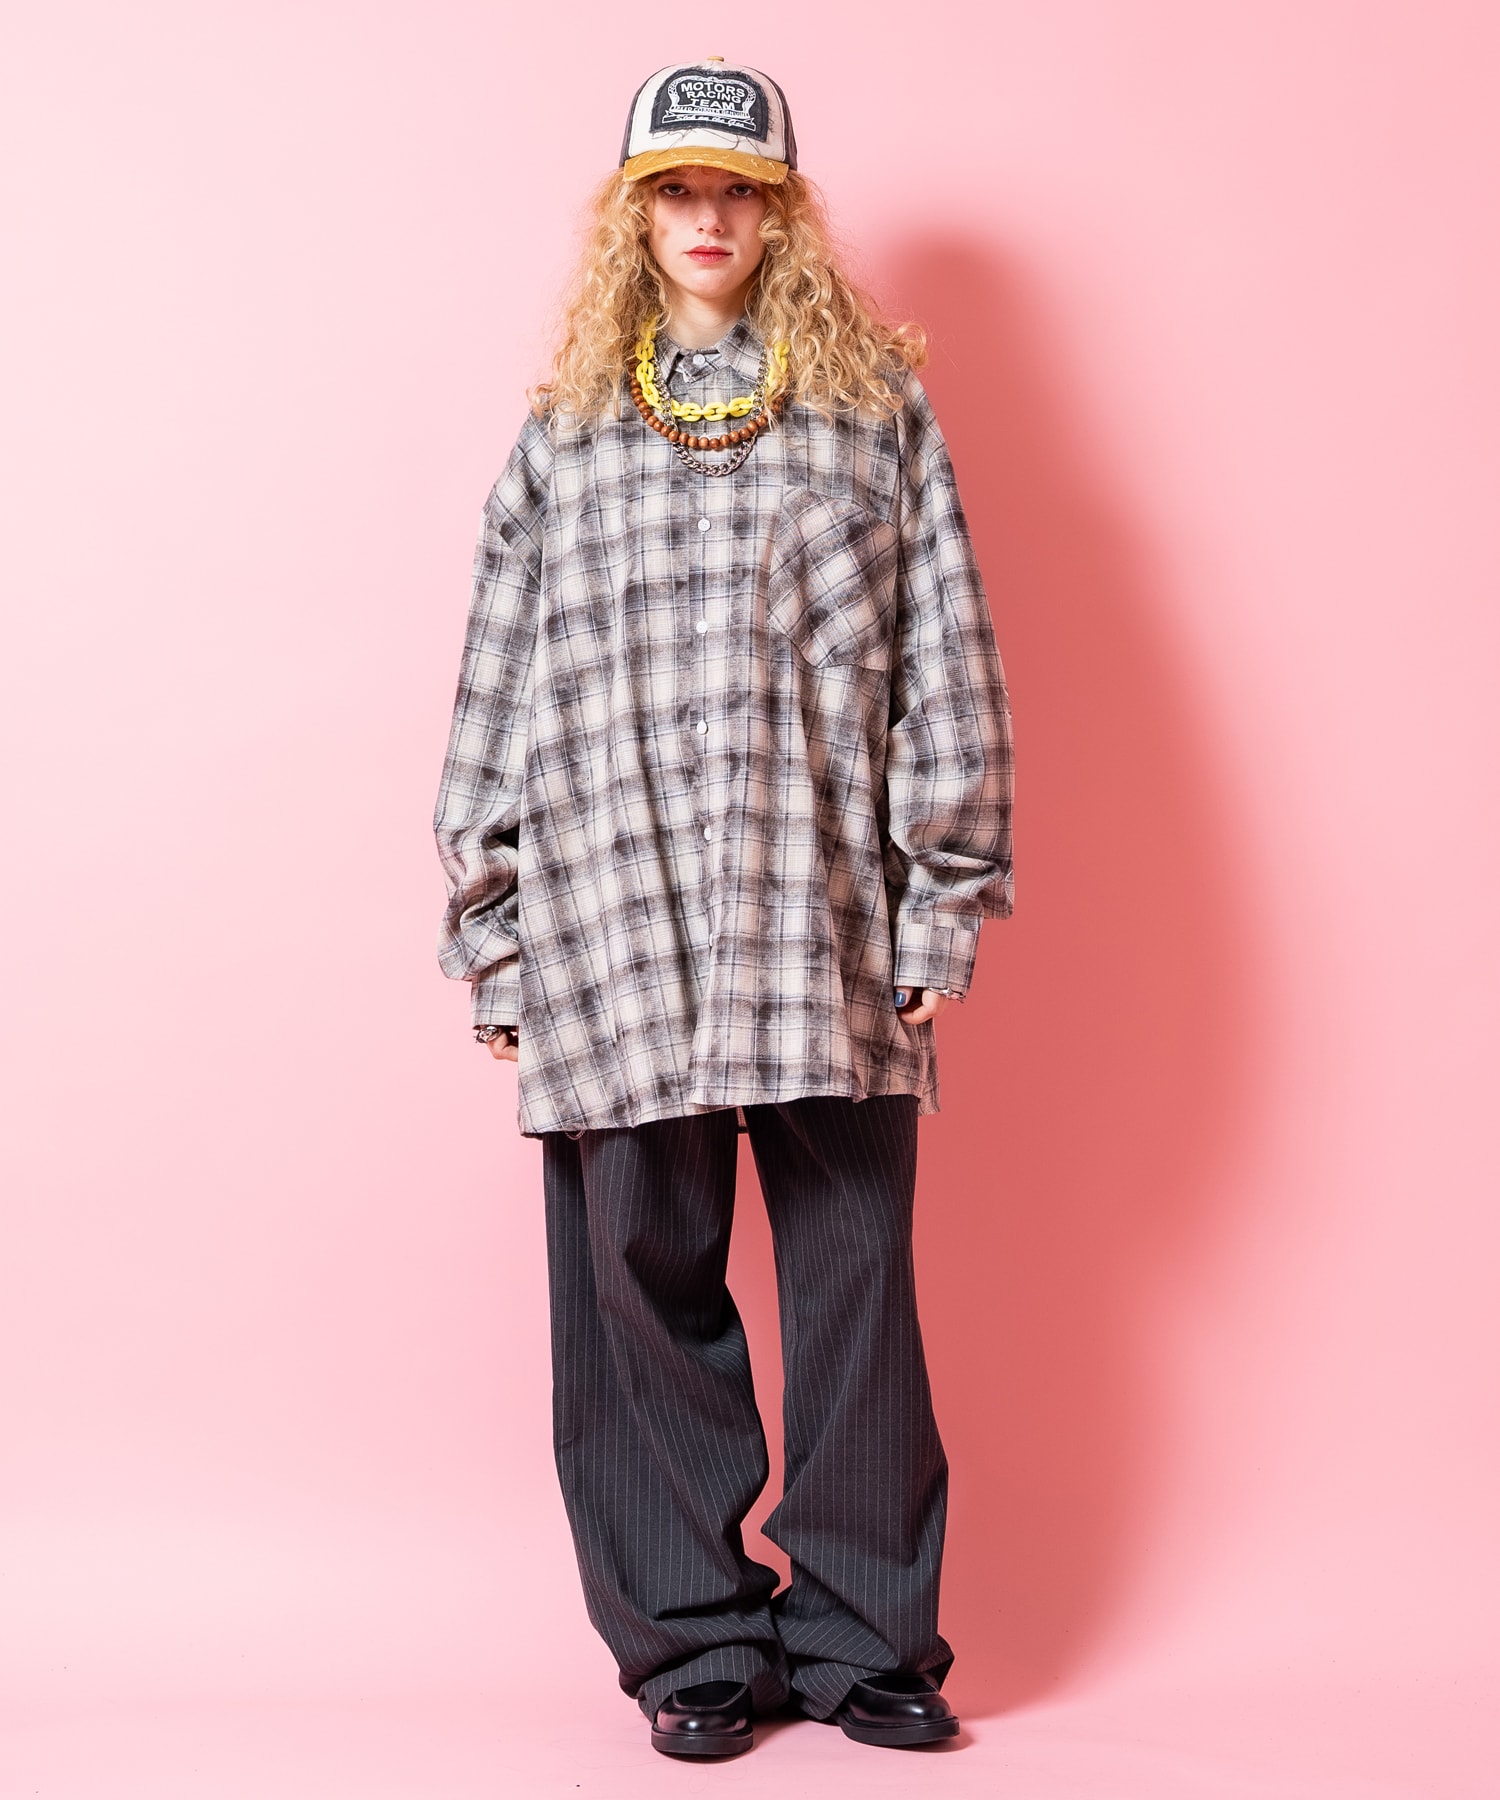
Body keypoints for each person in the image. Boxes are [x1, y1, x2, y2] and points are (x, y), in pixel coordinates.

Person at [433, 57, 1014, 1758]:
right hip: (614, 921)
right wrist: (494, 928)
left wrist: (941, 899)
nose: (707, 217)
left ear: (782, 213)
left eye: (737, 190)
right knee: (637, 1283)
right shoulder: (563, 440)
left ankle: (864, 1638)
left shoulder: (875, 418)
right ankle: (690, 1641)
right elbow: (495, 689)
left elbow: (947, 663)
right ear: (635, 216)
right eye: (677, 190)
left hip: (819, 921)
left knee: (855, 1282)